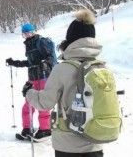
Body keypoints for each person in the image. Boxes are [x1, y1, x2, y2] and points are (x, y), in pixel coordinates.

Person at [22, 9, 104, 157]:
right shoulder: (101, 67)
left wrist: (29, 92)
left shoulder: (62, 69)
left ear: (70, 39)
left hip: (68, 146)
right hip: (95, 142)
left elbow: (45, 103)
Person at [6, 23, 55, 141]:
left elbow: (51, 58)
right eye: (24, 34)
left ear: (34, 32)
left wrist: (45, 63)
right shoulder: (28, 44)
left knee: (42, 103)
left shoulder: (41, 42)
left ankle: (45, 130)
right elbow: (30, 62)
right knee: (28, 104)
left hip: (43, 76)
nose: (27, 35)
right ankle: (27, 129)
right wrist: (15, 63)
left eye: (29, 33)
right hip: (32, 78)